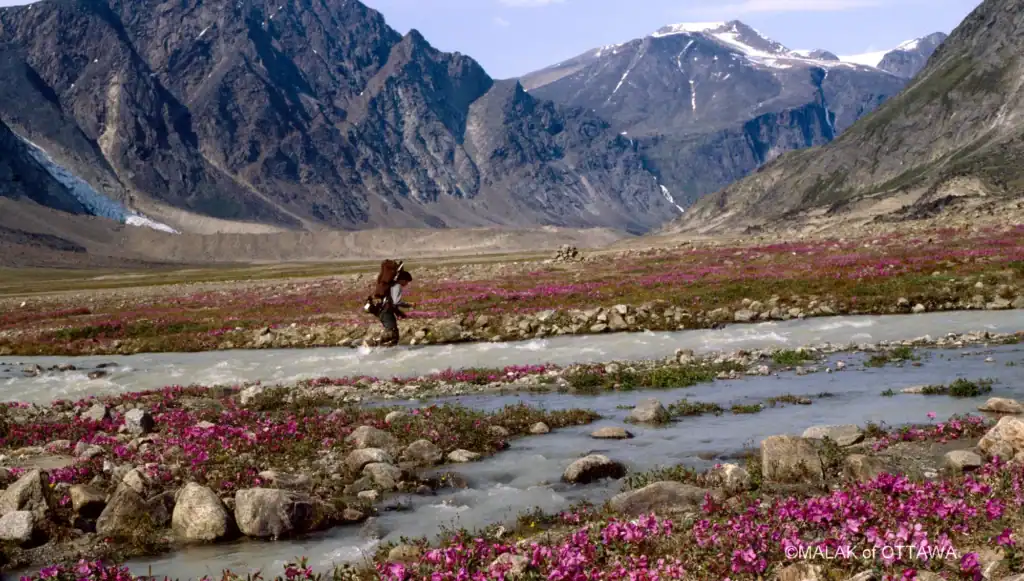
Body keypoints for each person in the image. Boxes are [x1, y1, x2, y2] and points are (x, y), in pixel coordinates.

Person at [378, 270, 413, 346]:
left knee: (393, 334)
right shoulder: (397, 286)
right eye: (407, 282)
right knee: (392, 333)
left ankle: (387, 351)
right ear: (403, 280)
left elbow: (392, 303)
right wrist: (409, 304)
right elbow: (396, 302)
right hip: (386, 312)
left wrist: (399, 313)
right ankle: (372, 342)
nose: (407, 284)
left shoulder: (392, 285)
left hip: (384, 312)